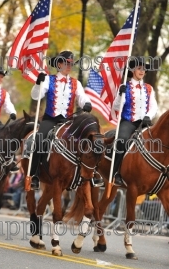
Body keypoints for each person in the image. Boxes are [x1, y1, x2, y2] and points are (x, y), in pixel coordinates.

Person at [29, 50, 102, 190]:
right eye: (67, 63)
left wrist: (86, 103)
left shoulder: (76, 83)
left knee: (89, 140)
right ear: (59, 64)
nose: (69, 66)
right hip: (50, 119)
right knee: (39, 139)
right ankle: (34, 175)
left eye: (71, 64)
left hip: (68, 122)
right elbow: (35, 96)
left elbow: (82, 97)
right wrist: (38, 83)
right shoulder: (48, 80)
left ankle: (92, 175)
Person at [112, 56, 158, 186]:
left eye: (144, 69)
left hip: (145, 123)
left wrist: (148, 116)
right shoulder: (124, 86)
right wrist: (121, 94)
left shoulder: (149, 88)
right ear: (132, 70)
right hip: (129, 122)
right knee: (121, 139)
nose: (142, 71)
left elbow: (154, 106)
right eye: (139, 68)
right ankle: (116, 173)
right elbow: (116, 107)